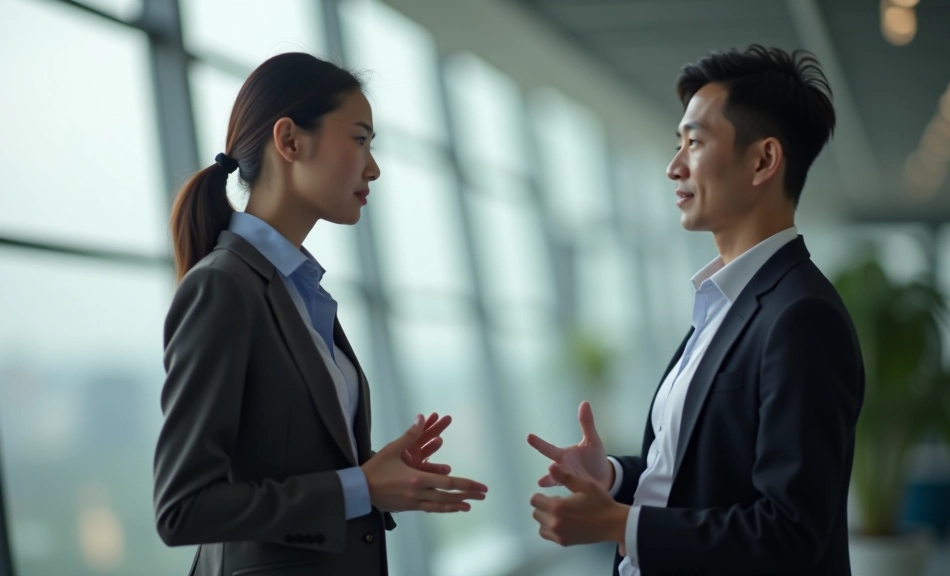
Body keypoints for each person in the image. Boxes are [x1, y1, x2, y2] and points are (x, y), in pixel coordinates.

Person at [527, 45, 865, 576]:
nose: (673, 166)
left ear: (763, 160)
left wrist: (619, 524)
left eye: (694, 142)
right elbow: (697, 476)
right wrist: (614, 476)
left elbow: (792, 530)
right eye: (677, 143)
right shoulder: (725, 305)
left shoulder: (801, 317)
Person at [153, 52, 487, 576]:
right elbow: (183, 509)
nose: (373, 166)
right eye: (359, 139)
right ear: (289, 141)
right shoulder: (223, 287)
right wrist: (360, 486)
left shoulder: (297, 290)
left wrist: (374, 478)